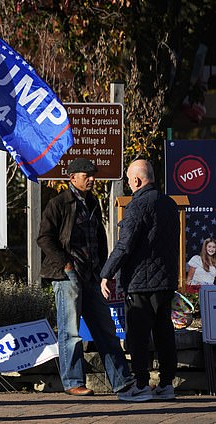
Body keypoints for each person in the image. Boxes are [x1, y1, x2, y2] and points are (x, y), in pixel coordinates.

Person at [36, 158, 134, 398]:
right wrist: (66, 264)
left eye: (93, 175)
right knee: (70, 331)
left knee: (106, 329)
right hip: (67, 275)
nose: (91, 178)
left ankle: (122, 381)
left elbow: (100, 238)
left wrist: (104, 272)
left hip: (91, 275)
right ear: (72, 178)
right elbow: (44, 238)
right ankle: (72, 382)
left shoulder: (93, 202)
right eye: (86, 174)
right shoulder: (58, 203)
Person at [101, 159, 180, 401]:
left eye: (128, 180)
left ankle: (141, 386)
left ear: (136, 180)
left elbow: (125, 245)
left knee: (138, 335)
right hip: (165, 281)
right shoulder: (170, 204)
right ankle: (166, 384)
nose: (128, 184)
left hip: (140, 282)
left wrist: (106, 273)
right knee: (164, 332)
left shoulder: (137, 206)